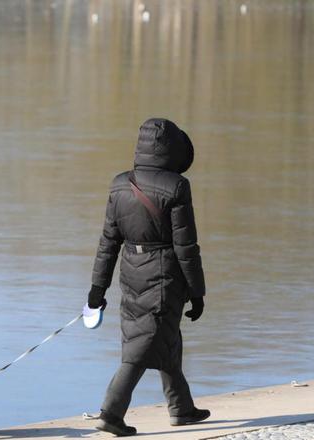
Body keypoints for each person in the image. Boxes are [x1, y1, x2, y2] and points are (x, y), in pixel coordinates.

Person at [87, 118, 210, 436]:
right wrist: (197, 291)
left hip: (131, 272)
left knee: (163, 336)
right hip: (164, 274)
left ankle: (181, 408)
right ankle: (111, 414)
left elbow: (107, 244)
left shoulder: (119, 184)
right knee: (141, 347)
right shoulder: (177, 187)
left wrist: (97, 290)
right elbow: (186, 246)